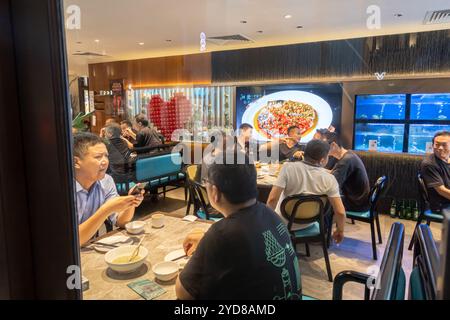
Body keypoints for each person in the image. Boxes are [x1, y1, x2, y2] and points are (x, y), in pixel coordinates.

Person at [176, 152, 302, 300]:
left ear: (215, 192)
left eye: (206, 182)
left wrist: (205, 250)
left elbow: (183, 293)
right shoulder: (271, 214)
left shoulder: (222, 235)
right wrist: (206, 241)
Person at [73, 132, 144, 245]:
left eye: (106, 156)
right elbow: (72, 241)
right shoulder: (62, 190)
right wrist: (106, 210)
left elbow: (121, 222)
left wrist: (130, 202)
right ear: (76, 162)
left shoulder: (106, 181)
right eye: (98, 157)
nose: (105, 161)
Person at [266, 139, 345, 239]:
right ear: (322, 160)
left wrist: (267, 223)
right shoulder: (330, 179)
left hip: (284, 222)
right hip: (309, 222)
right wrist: (340, 230)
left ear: (304, 153)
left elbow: (272, 200)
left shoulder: (288, 168)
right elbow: (340, 212)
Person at [324, 131, 370, 212]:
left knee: (324, 201)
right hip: (359, 199)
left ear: (333, 145)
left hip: (356, 203)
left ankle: (325, 224)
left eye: (323, 147)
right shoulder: (348, 155)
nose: (322, 150)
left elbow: (333, 184)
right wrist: (320, 170)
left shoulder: (345, 161)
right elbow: (334, 172)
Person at [420, 131, 450, 212]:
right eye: (437, 144)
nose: (440, 148)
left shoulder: (446, 159)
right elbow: (442, 191)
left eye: (444, 145)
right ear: (433, 145)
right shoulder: (429, 164)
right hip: (442, 204)